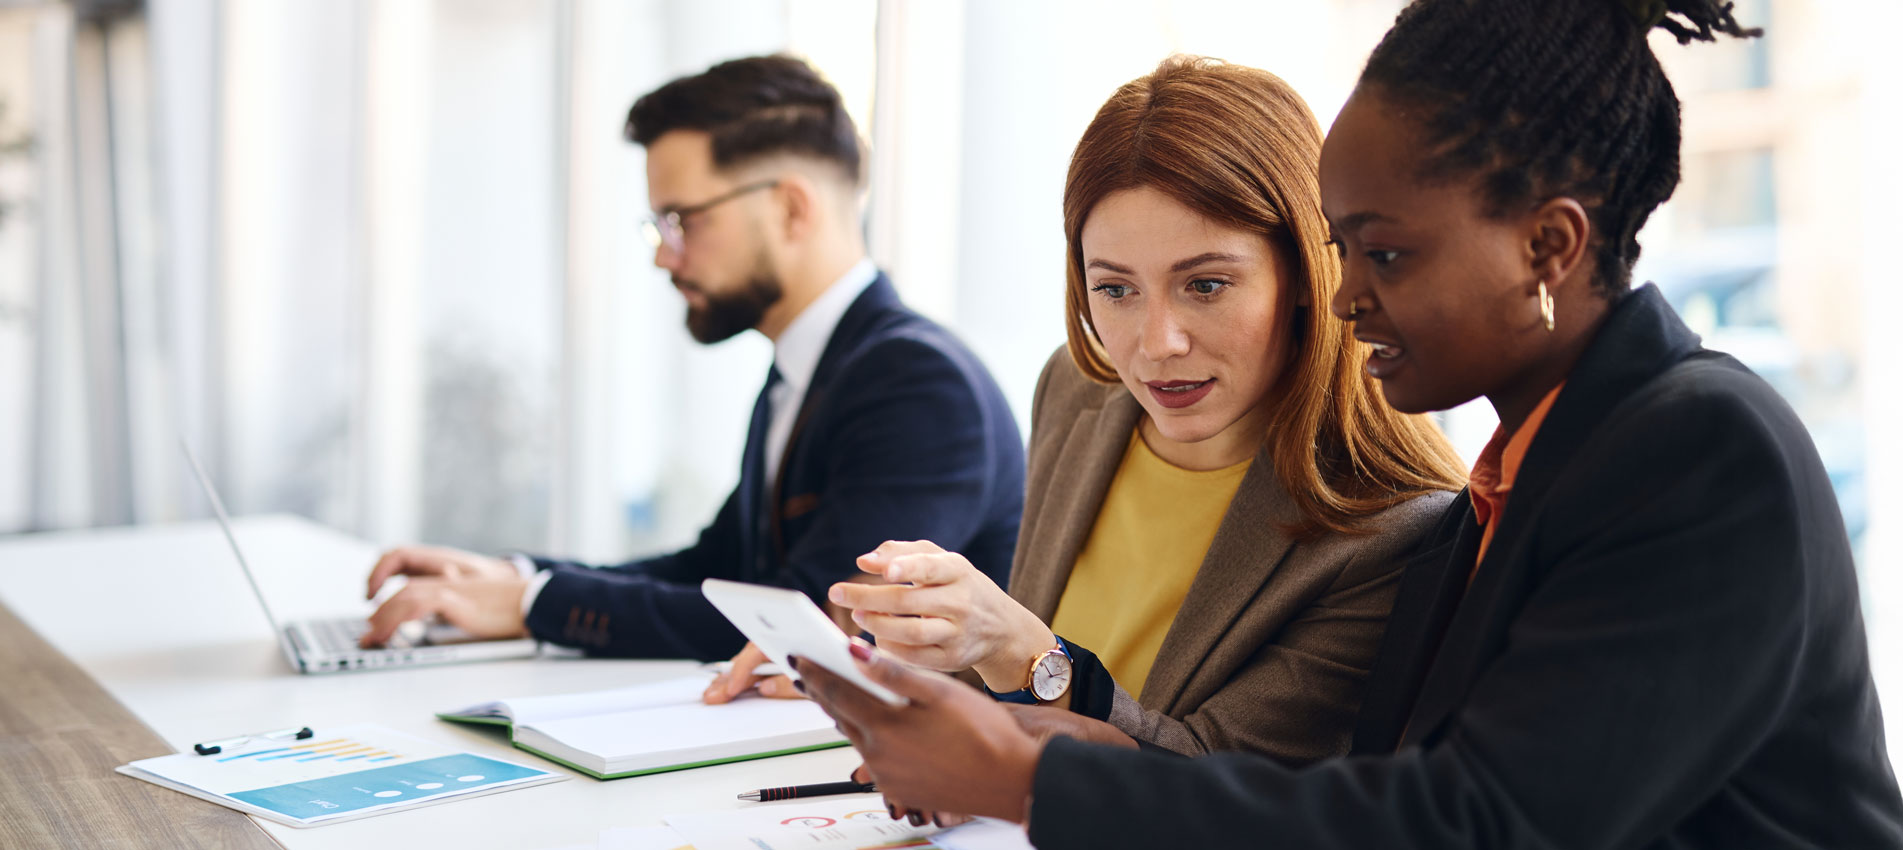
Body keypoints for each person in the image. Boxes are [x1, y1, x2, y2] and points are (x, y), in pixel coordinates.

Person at [793, 1, 1903, 846]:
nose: (1344, 296)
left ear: (1548, 250)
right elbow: (1352, 789)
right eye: (1341, 250)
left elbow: (1474, 822)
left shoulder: (1699, 448)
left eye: (1383, 252)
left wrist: (1025, 776)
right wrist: (1026, 726)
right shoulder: (1529, 466)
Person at [721, 57, 1466, 766]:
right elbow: (1012, 704)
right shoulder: (1081, 393)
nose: (1154, 345)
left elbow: (1218, 786)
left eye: (1205, 285)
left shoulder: (1390, 528)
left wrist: (1023, 650)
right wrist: (877, 668)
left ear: (1306, 272)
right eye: (1115, 289)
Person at [356, 55, 1025, 660]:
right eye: (659, 226)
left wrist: (534, 606)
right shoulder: (814, 368)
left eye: (683, 220)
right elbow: (718, 567)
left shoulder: (916, 383)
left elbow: (809, 622)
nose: (661, 254)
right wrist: (517, 580)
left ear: (792, 207)